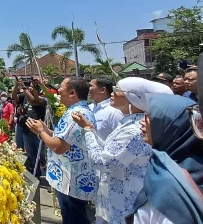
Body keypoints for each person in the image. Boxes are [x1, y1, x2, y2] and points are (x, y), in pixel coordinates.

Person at [72, 77, 173, 224]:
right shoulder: (129, 121)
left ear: (134, 99)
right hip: (114, 198)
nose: (112, 93)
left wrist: (87, 131)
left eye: (118, 91)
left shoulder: (135, 129)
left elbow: (104, 162)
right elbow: (110, 150)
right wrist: (91, 130)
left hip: (126, 201)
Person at [26, 77, 96, 224]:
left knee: (75, 219)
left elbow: (58, 146)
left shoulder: (75, 114)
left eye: (61, 89)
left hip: (72, 181)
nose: (58, 92)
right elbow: (65, 139)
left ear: (72, 93)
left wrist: (40, 132)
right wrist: (47, 130)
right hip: (72, 179)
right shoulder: (78, 111)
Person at [126, 93, 203, 223]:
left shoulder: (169, 184)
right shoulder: (169, 164)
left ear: (171, 126)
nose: (142, 121)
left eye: (149, 116)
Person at [20, 78, 47, 177]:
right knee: (31, 154)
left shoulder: (43, 100)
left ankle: (46, 173)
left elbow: (34, 99)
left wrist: (24, 87)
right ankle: (37, 174)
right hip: (27, 130)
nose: (30, 88)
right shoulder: (26, 97)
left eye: (33, 87)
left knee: (42, 155)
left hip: (38, 133)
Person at [88, 76, 123, 141]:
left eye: (90, 86)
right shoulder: (89, 108)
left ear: (103, 90)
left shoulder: (113, 112)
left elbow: (120, 138)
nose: (88, 89)